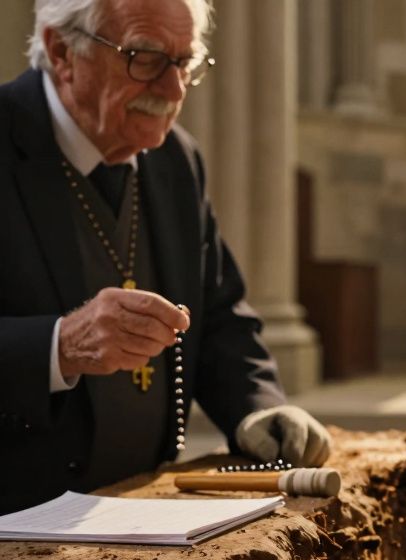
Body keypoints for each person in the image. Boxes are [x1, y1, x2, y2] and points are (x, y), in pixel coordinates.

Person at [0, 0, 331, 514]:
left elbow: (219, 313)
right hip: (17, 514)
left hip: (142, 507)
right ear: (61, 51)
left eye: (185, 63)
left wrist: (259, 408)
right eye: (145, 58)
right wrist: (60, 346)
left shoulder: (177, 158)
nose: (174, 90)